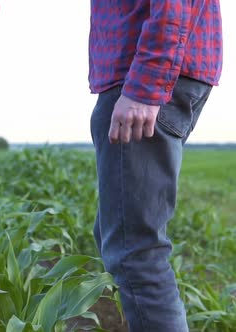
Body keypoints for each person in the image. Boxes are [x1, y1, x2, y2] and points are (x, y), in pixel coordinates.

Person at [88, 1, 222, 331]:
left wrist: (145, 87)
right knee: (115, 232)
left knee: (136, 254)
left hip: (142, 73)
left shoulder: (145, 83)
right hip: (153, 71)